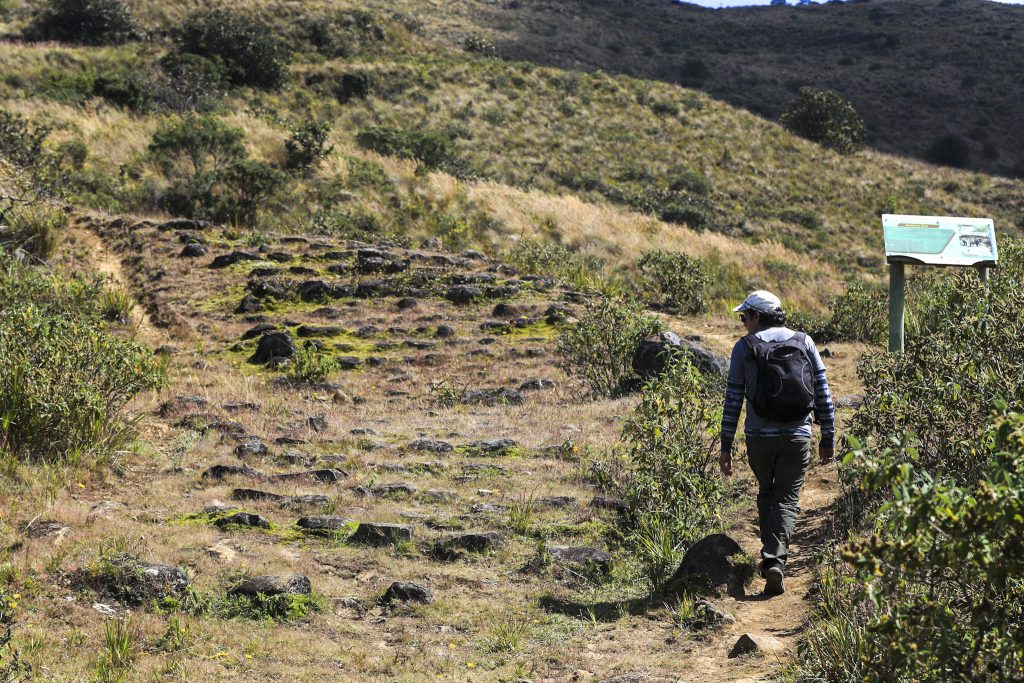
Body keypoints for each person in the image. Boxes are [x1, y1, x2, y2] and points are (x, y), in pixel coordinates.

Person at [719, 290, 835, 596]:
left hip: (759, 437)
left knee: (767, 492)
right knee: (787, 498)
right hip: (798, 435)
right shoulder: (804, 341)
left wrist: (725, 445)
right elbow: (823, 392)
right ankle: (775, 559)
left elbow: (733, 400)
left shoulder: (743, 348)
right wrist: (829, 436)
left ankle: (771, 556)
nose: (743, 322)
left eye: (745, 316)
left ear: (758, 316)